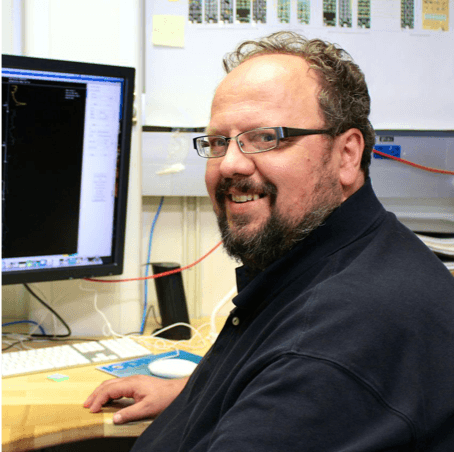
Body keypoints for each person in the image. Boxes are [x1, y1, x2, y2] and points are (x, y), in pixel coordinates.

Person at [84, 31, 454, 451]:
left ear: (347, 155)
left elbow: (317, 371)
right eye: (219, 141)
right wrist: (201, 391)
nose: (230, 164)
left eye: (266, 137)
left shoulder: (330, 344)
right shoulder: (352, 259)